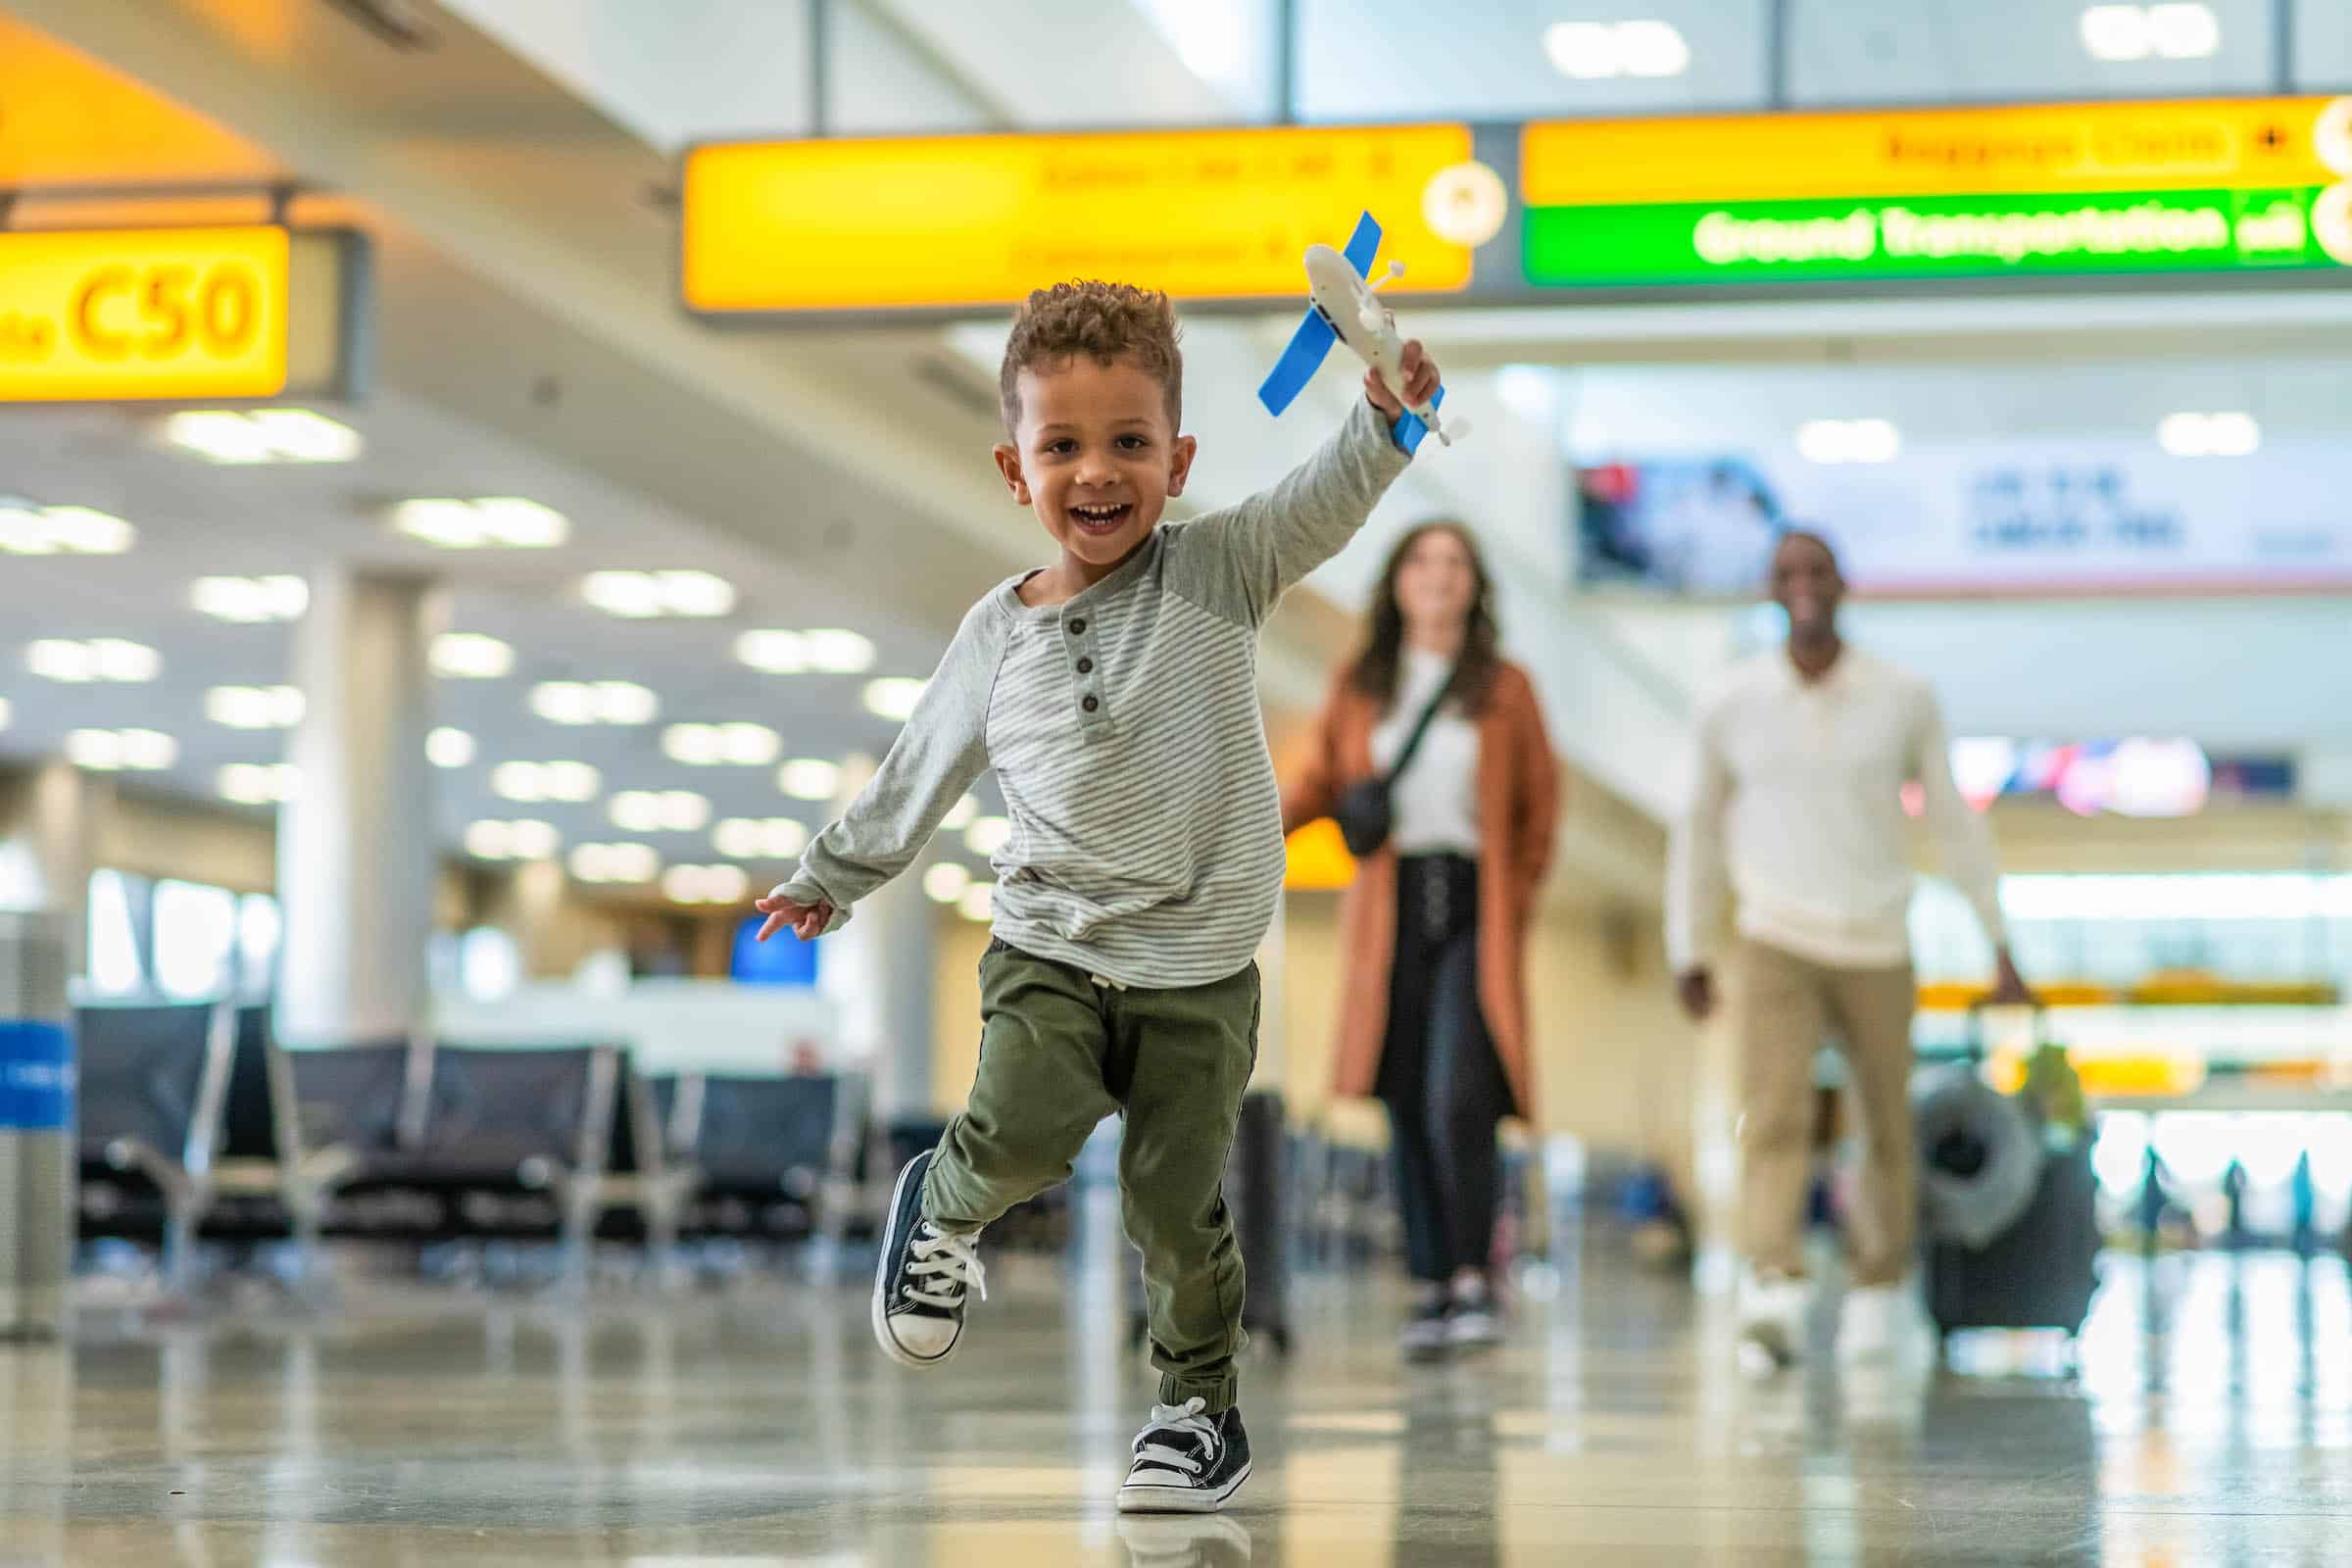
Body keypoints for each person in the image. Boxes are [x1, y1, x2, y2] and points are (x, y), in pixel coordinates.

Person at [752, 280, 1443, 1514]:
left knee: (1176, 1205)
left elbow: (1319, 501)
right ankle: (944, 1204)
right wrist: (833, 875)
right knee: (1019, 1128)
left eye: (1130, 442)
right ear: (1016, 470)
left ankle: (1195, 1411)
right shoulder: (995, 636)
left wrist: (1385, 420)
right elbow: (920, 765)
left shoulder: (1221, 567)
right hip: (1051, 949)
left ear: (1176, 460)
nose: (1098, 471)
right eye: (1061, 445)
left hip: (1202, 969)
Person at [1665, 530, 2030, 1372]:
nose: (1803, 586)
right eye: (1787, 573)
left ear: (1843, 584)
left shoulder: (1903, 696)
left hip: (1876, 940)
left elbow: (1951, 818)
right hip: (1773, 937)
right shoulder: (1730, 702)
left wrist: (1998, 939)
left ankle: (1877, 1292)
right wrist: (1687, 945)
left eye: (1817, 571)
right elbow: (1695, 832)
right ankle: (1773, 1289)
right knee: (1774, 1117)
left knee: (1885, 1125)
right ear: (1769, 588)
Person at [1281, 521, 1558, 1360]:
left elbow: (1538, 814)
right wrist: (1243, 836)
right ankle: (1432, 1283)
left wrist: (1514, 911)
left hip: (1475, 906)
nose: (1439, 577)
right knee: (1402, 1097)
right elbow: (1312, 784)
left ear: (1474, 587)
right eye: (1422, 562)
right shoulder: (1362, 686)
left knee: (1458, 1096)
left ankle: (1476, 1276)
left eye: (1455, 564)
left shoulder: (1506, 689)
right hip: (1389, 910)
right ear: (1397, 583)